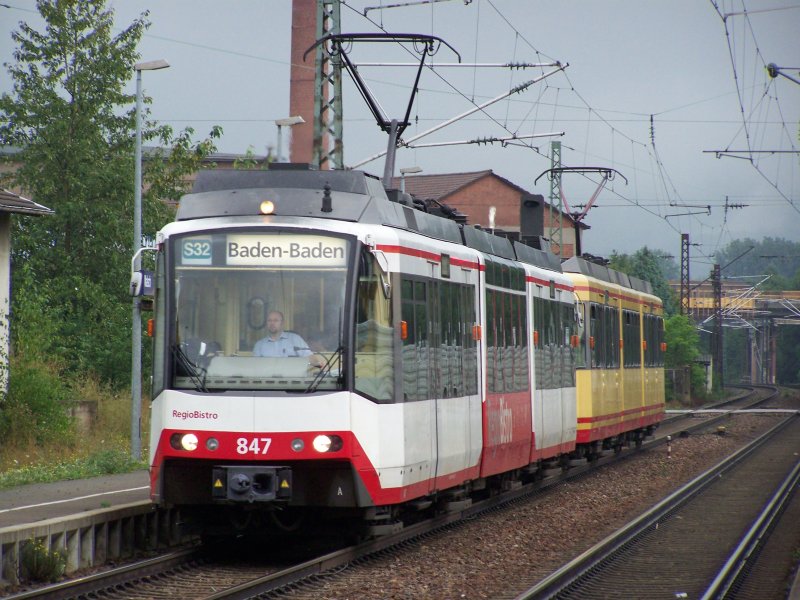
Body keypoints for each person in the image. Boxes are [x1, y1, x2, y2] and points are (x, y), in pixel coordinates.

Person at [253, 311, 322, 366]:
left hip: (293, 381)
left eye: (276, 320)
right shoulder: (259, 345)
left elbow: (309, 357)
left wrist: (319, 365)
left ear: (282, 323)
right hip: (268, 382)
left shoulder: (295, 339)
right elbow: (255, 367)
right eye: (269, 320)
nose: (272, 323)